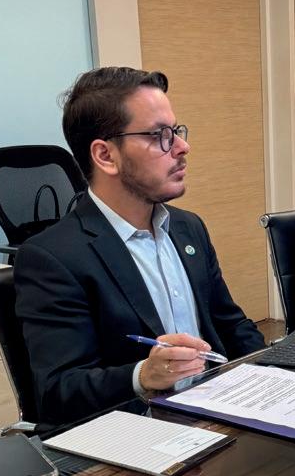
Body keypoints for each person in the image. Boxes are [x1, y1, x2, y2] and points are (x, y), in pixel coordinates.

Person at [14, 67, 264, 426]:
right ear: (106, 156)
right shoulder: (52, 258)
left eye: (176, 131)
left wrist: (278, 376)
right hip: (137, 434)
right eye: (159, 135)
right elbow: (58, 392)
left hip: (218, 413)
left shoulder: (188, 228)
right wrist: (142, 376)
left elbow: (232, 324)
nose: (182, 147)